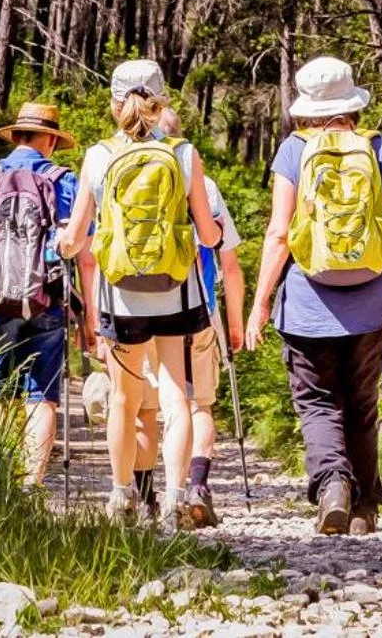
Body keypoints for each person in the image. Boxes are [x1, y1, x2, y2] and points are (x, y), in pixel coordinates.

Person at [244, 56, 382, 536]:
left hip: (306, 303)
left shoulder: (293, 151)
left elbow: (279, 234)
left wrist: (260, 303)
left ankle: (333, 486)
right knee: (361, 402)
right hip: (370, 303)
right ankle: (364, 508)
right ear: (352, 104)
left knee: (317, 401)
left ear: (308, 108)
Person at [57, 60, 222, 525]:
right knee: (175, 398)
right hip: (176, 292)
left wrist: (62, 243)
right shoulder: (184, 154)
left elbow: (76, 238)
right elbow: (208, 235)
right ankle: (173, 499)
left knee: (126, 400)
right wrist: (205, 237)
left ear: (115, 104)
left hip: (120, 297)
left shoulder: (98, 156)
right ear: (161, 101)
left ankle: (122, 494)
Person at [0, 102, 82, 493]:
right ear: (50, 141)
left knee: (4, 390)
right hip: (48, 300)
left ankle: (3, 481)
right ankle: (30, 485)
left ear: (16, 136)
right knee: (42, 396)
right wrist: (88, 317)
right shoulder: (65, 182)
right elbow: (83, 255)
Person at [127, 105, 245, 528]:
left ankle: (142, 498)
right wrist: (235, 323)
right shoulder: (204, 184)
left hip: (134, 308)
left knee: (145, 409)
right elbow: (228, 262)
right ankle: (194, 487)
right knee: (197, 404)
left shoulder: (120, 167)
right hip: (194, 306)